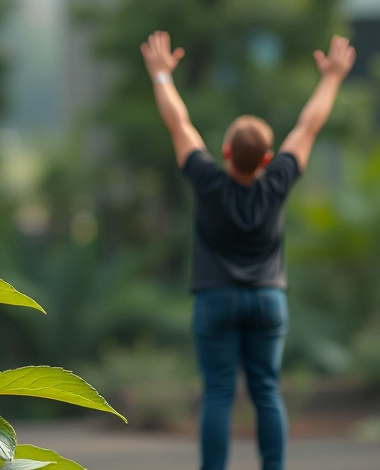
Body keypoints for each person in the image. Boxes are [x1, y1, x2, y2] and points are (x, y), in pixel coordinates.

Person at [139, 31, 356, 470]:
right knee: (267, 391)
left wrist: (161, 75)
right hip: (267, 299)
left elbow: (178, 123)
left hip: (215, 299)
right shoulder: (278, 181)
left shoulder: (207, 180)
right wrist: (332, 78)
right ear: (267, 158)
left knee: (218, 392)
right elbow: (309, 125)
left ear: (225, 152)